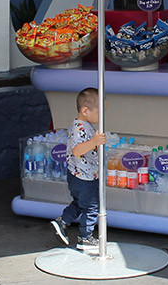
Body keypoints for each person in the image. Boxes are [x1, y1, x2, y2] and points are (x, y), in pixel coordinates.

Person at [50, 87, 107, 251]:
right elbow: (77, 150)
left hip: (82, 175)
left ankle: (62, 222)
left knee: (80, 203)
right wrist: (94, 142)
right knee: (92, 206)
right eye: (100, 112)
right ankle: (85, 237)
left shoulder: (85, 125)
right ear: (85, 110)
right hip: (84, 177)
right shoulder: (79, 128)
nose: (102, 117)